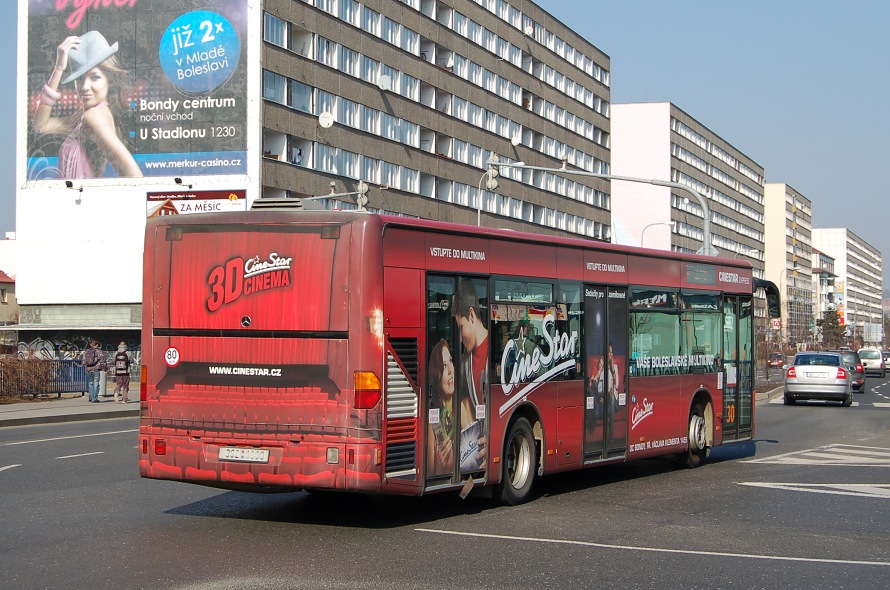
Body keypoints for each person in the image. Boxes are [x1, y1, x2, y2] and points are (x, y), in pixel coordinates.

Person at [31, 30, 142, 179]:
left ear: (110, 80)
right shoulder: (85, 118)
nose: (84, 87)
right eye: (79, 79)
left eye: (94, 77)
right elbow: (40, 125)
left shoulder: (93, 116)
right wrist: (58, 69)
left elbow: (133, 173)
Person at [451, 279, 489, 473]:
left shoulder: (496, 354)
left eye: (460, 327)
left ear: (472, 315)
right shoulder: (465, 363)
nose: (459, 337)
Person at [427, 339, 456, 476]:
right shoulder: (433, 423)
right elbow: (431, 474)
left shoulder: (463, 406)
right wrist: (440, 469)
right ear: (436, 374)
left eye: (450, 361)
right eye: (444, 366)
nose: (450, 370)